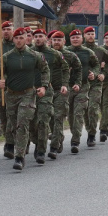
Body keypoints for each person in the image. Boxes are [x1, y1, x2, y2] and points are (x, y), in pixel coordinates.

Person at [0, 28, 49, 171]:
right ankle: (30, 144)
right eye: (16, 38)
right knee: (13, 126)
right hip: (11, 95)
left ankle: (19, 157)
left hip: (28, 94)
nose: (18, 40)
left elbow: (44, 70)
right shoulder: (6, 57)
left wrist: (43, 87)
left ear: (26, 39)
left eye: (21, 38)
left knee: (22, 123)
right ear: (13, 39)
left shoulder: (35, 55)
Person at [28, 29, 69, 164]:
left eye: (41, 36)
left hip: (51, 91)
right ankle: (38, 141)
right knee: (32, 122)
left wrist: (64, 84)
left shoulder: (55, 54)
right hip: (31, 92)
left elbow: (66, 69)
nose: (38, 39)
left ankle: (45, 149)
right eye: (36, 36)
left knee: (47, 120)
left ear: (46, 38)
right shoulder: (28, 53)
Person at [65, 29, 99, 154]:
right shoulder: (65, 52)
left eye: (77, 37)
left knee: (79, 113)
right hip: (68, 86)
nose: (75, 39)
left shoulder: (88, 52)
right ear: (70, 39)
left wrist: (93, 73)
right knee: (71, 115)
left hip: (83, 86)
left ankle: (75, 141)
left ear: (81, 39)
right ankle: (75, 133)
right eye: (73, 37)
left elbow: (96, 65)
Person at [49, 31, 82, 159]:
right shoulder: (46, 54)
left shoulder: (70, 56)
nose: (56, 42)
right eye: (54, 40)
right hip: (46, 91)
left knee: (58, 117)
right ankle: (58, 137)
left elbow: (78, 69)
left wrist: (78, 83)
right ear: (51, 41)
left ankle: (54, 147)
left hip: (62, 91)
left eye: (59, 40)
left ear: (64, 42)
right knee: (50, 118)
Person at [81, 27, 108, 147]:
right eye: (88, 34)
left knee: (93, 109)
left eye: (92, 33)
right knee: (85, 110)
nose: (90, 36)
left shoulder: (100, 50)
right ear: (84, 35)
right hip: (82, 84)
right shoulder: (79, 50)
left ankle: (92, 135)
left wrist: (103, 73)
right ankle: (90, 129)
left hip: (96, 84)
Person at [0, 20, 16, 159]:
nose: (6, 31)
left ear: (13, 30)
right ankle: (8, 142)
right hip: (1, 89)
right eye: (4, 29)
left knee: (13, 117)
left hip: (16, 87)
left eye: (8, 29)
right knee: (4, 117)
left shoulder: (17, 45)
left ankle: (12, 143)